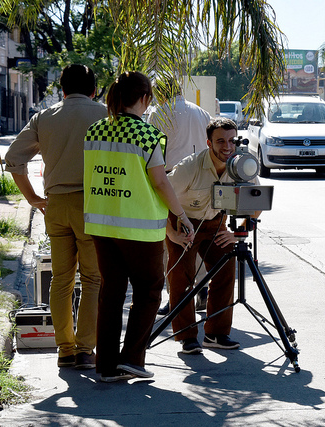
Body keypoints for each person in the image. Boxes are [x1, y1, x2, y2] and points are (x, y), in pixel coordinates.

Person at [83, 71, 194, 382]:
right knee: (147, 291)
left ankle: (105, 366)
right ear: (144, 99)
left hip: (102, 226)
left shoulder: (94, 131)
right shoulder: (145, 135)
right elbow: (160, 181)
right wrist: (181, 216)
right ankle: (132, 358)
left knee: (111, 293)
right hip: (139, 230)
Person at [5, 64, 106, 370]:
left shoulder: (44, 116)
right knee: (92, 279)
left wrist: (32, 198)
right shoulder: (105, 114)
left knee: (61, 279)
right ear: (93, 90)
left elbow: (13, 159)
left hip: (56, 205)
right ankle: (86, 350)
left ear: (62, 90)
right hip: (94, 204)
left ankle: (64, 349)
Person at [166, 117, 260, 354]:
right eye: (220, 141)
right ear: (209, 143)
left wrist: (238, 234)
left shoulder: (241, 164)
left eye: (231, 140)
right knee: (181, 278)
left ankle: (216, 334)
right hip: (183, 223)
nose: (227, 147)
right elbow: (158, 198)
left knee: (225, 271)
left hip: (215, 223)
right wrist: (171, 234)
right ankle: (187, 337)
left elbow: (258, 198)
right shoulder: (190, 167)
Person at [148, 77, 212, 314]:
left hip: (172, 179)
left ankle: (175, 294)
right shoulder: (202, 113)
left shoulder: (158, 114)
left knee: (172, 240)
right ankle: (202, 289)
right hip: (201, 179)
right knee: (198, 233)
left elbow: (153, 152)